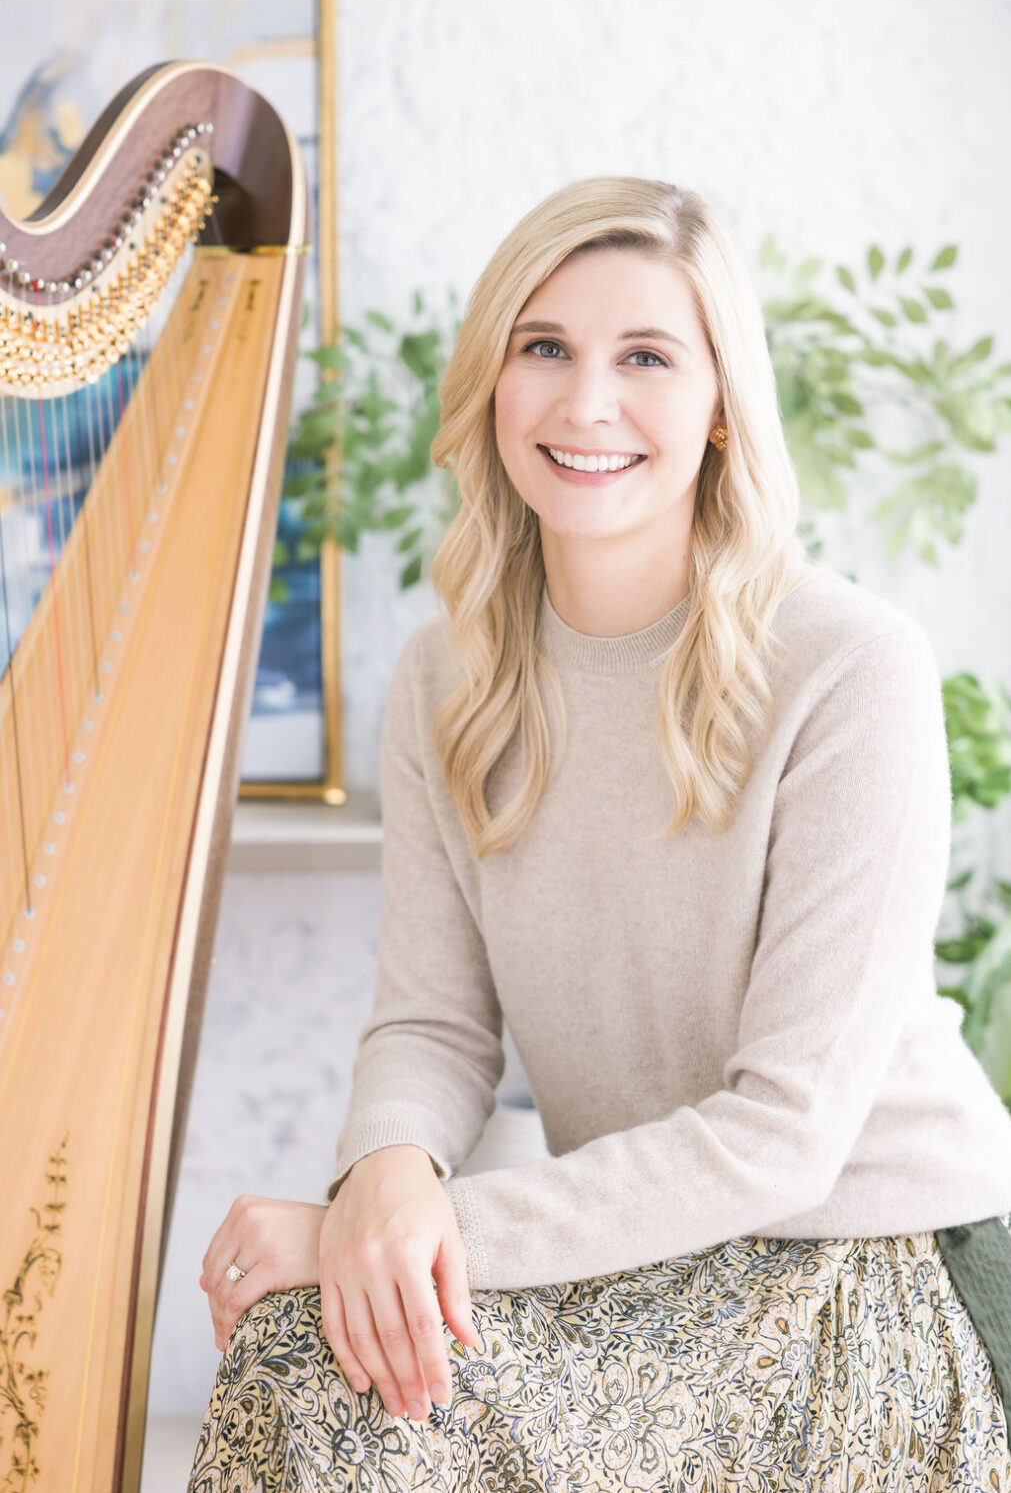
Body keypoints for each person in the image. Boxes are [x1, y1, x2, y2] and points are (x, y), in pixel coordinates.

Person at [187, 176, 1011, 1490]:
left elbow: (783, 1138)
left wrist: (409, 1229)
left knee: (327, 1367)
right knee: (311, 1350)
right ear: (493, 384)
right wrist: (386, 1177)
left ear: (722, 405)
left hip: (871, 1266)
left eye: (645, 357)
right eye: (544, 349)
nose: (586, 404)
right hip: (646, 1257)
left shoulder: (852, 668)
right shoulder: (446, 677)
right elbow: (431, 1027)